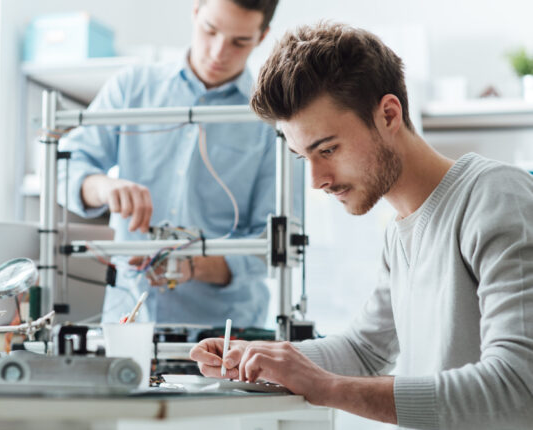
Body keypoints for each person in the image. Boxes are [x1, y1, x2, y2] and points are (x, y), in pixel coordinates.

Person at [190, 22, 533, 429]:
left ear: (388, 114)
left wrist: (326, 387)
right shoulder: (400, 229)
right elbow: (366, 350)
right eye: (304, 158)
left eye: (328, 149)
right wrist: (257, 355)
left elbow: (518, 388)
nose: (316, 180)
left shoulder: (497, 197)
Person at [58, 0, 280, 328]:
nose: (219, 52)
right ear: (195, 12)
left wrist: (194, 266)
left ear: (262, 37)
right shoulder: (132, 88)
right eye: (210, 30)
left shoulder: (272, 120)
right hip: (126, 318)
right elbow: (64, 168)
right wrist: (104, 187)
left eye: (239, 42)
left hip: (225, 332)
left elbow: (276, 241)